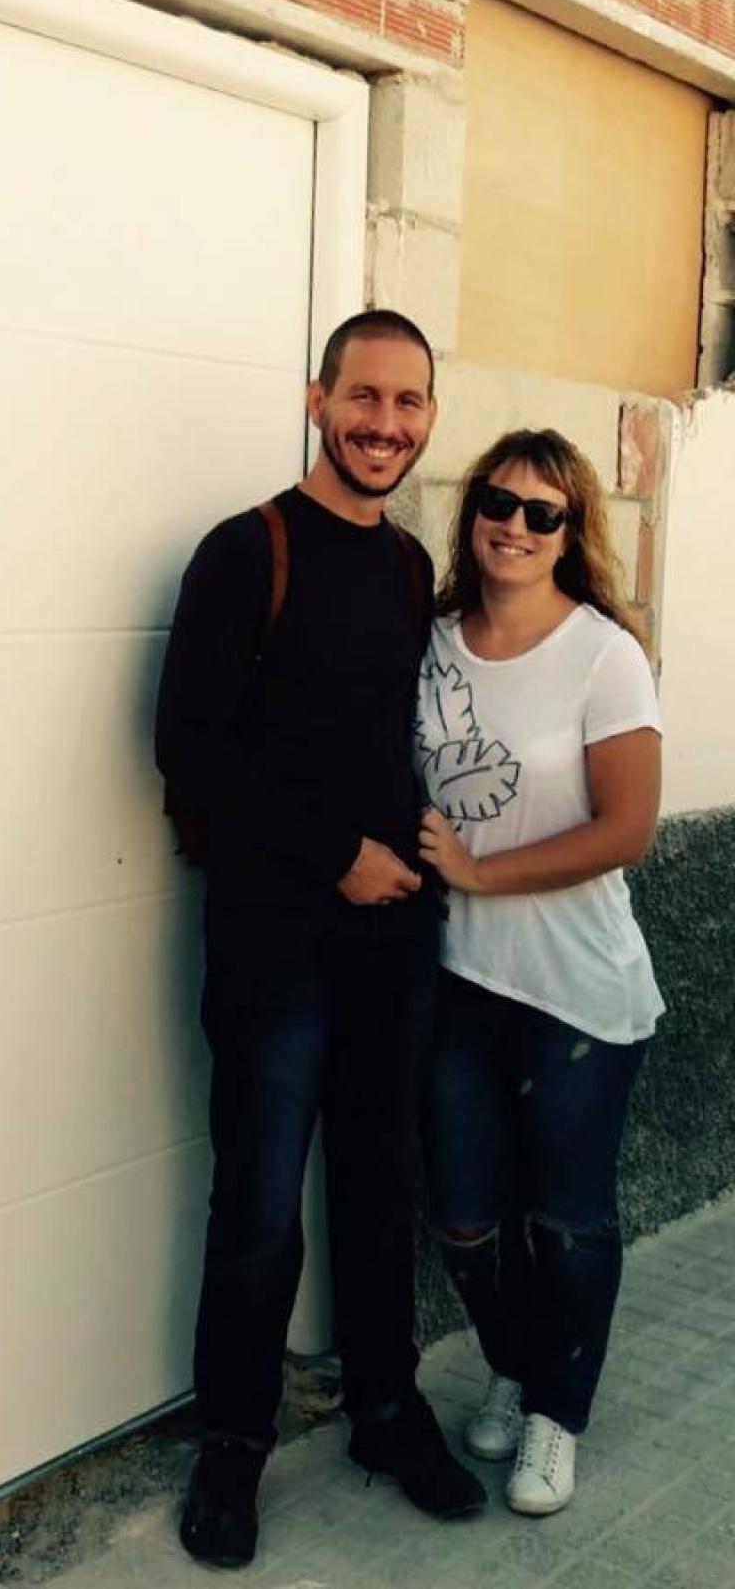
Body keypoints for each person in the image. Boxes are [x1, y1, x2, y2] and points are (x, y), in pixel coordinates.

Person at [155, 310, 486, 1570]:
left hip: (390, 940)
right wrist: (335, 852)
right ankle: (234, 1443)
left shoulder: (406, 565)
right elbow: (187, 748)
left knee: (379, 1181)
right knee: (258, 1199)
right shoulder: (247, 550)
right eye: (364, 396)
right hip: (274, 944)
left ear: (428, 417)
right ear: (318, 399)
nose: (384, 423)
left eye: (408, 402)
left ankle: (386, 1411)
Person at [415, 428, 663, 1518]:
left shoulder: (604, 655)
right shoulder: (431, 642)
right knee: (466, 1216)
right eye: (498, 503)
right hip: (460, 978)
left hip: (577, 990)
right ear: (473, 512)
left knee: (566, 1220)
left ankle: (557, 1414)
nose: (514, 525)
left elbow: (628, 828)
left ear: (571, 532)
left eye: (542, 512)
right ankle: (516, 1365)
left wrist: (479, 869)